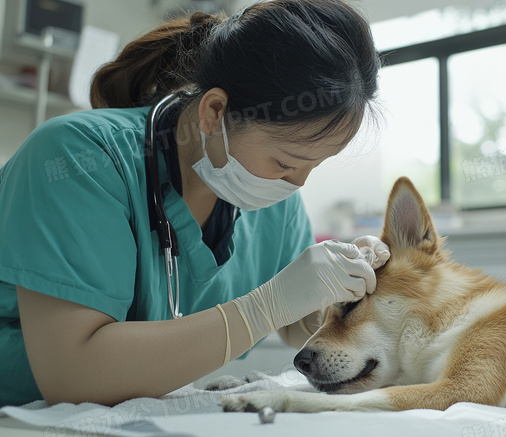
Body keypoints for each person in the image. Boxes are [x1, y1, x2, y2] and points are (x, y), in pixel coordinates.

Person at [0, 0, 388, 407]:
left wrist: (341, 291)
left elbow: (298, 324)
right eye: (286, 162)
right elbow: (73, 376)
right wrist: (262, 309)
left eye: (315, 166)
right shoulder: (79, 158)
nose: (297, 183)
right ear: (215, 112)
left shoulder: (275, 202)